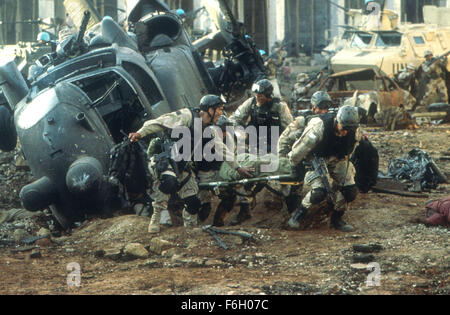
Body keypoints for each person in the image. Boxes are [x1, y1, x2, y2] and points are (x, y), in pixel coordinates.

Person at [129, 95, 252, 233]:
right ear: (209, 110)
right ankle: (156, 217)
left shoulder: (210, 129)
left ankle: (190, 230)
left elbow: (222, 149)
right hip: (165, 160)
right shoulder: (188, 116)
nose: (220, 113)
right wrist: (140, 133)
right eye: (219, 109)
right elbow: (160, 122)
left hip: (182, 165)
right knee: (169, 181)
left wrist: (238, 167)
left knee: (194, 203)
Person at [287, 105, 362, 232]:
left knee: (350, 190)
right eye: (343, 128)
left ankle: (336, 218)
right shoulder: (319, 127)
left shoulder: (354, 131)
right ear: (337, 121)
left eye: (349, 130)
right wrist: (295, 166)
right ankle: (299, 214)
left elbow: (350, 150)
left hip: (337, 159)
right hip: (314, 159)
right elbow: (299, 150)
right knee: (319, 192)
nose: (345, 132)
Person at [278, 91, 333, 215]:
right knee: (294, 186)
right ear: (313, 107)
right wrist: (283, 160)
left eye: (326, 108)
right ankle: (290, 212)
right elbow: (284, 138)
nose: (323, 111)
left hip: (319, 157)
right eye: (320, 108)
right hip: (299, 157)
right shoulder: (303, 120)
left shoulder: (329, 121)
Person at [230, 79, 293, 154]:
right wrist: (240, 133)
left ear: (268, 95)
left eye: (260, 96)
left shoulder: (280, 106)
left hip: (273, 146)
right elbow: (234, 119)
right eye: (256, 95)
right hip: (252, 144)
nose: (257, 98)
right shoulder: (251, 103)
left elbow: (290, 128)